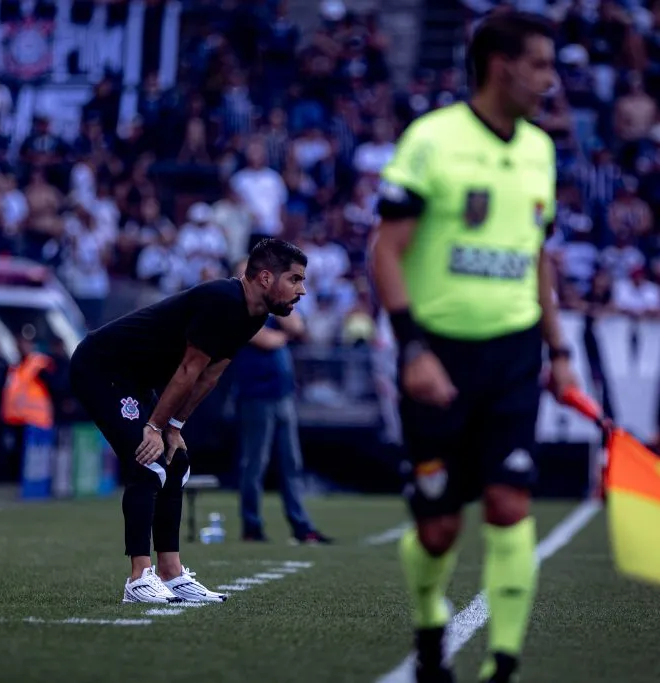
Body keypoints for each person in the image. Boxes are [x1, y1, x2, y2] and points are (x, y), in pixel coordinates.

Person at [370, 13, 578, 683]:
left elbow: (537, 256)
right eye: (541, 65)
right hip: (438, 358)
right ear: (500, 65)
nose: (551, 80)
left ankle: (503, 664)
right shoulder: (432, 141)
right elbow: (386, 252)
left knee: (509, 503)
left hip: (515, 354)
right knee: (437, 530)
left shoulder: (541, 150)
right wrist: (413, 350)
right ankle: (431, 616)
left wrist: (559, 349)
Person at [69, 239, 308, 603]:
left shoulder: (254, 313)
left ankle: (172, 572)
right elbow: (187, 370)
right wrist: (154, 428)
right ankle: (138, 578)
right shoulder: (222, 301)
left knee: (175, 463)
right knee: (148, 463)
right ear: (264, 278)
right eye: (294, 279)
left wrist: (175, 427)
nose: (301, 290)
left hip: (136, 379)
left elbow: (210, 376)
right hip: (101, 368)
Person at [230, 259, 332, 545]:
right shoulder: (241, 310)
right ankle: (252, 526)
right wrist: (282, 334)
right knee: (255, 464)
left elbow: (295, 326)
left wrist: (279, 307)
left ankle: (301, 526)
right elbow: (266, 341)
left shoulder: (271, 308)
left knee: (291, 463)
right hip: (255, 394)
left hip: (282, 393)